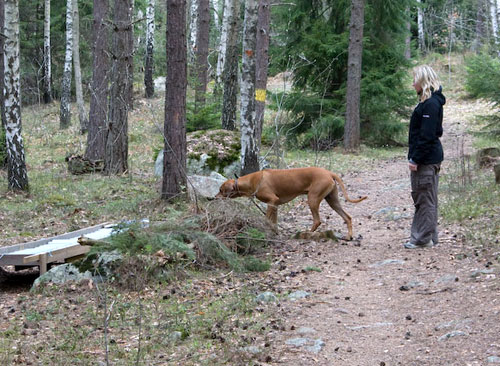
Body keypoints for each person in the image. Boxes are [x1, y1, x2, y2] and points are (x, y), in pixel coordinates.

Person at [404, 65, 446, 249]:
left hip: (426, 160)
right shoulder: (430, 102)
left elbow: (427, 135)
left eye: (415, 80)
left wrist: (416, 158)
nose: (413, 84)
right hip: (429, 158)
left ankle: (422, 239)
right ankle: (430, 236)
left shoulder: (430, 104)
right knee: (427, 197)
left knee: (424, 198)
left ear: (423, 81)